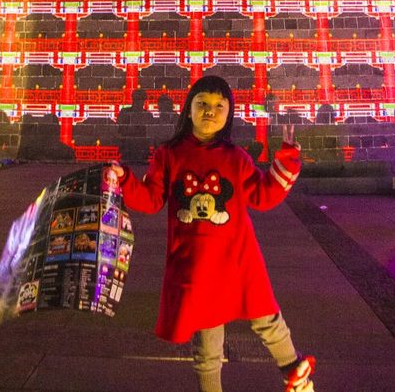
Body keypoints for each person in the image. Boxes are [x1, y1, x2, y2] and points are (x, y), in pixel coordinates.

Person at [112, 75, 315, 392]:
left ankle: (294, 372)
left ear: (229, 113)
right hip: (195, 263)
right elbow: (151, 199)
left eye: (219, 105)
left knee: (267, 319)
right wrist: (125, 178)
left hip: (239, 258)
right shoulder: (169, 154)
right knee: (208, 343)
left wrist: (287, 159)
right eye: (202, 104)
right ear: (188, 109)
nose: (210, 110)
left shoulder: (236, 157)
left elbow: (263, 196)